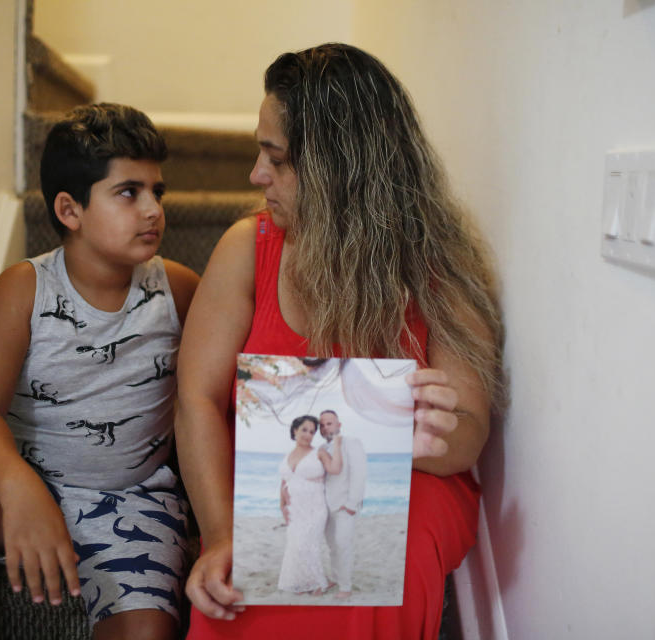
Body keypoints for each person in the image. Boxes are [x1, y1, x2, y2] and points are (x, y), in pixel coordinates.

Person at [175, 43, 503, 640]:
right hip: (274, 481)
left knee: (385, 553)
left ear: (337, 170)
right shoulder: (247, 250)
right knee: (243, 579)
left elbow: (468, 434)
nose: (255, 175)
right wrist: (220, 534)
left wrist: (424, 432)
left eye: (275, 158)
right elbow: (195, 399)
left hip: (410, 480)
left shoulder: (442, 269)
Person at [0, 103, 200, 640]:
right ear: (70, 209)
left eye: (159, 191)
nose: (153, 208)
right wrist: (19, 488)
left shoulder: (178, 291)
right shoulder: (24, 290)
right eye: (129, 192)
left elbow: (216, 393)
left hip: (135, 503)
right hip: (30, 490)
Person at [276, 415, 340, 594]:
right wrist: (282, 505)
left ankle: (320, 583)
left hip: (315, 508)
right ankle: (309, 581)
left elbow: (335, 469)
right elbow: (284, 482)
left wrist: (338, 446)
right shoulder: (287, 455)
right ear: (295, 430)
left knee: (308, 543)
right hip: (295, 509)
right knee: (295, 544)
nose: (308, 435)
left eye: (312, 432)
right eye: (304, 430)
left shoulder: (318, 452)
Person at [318, 410, 366, 599]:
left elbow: (359, 473)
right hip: (326, 505)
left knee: (342, 544)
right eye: (322, 425)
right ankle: (337, 579)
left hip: (345, 505)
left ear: (339, 425)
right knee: (332, 545)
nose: (325, 427)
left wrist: (352, 503)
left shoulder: (351, 443)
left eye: (329, 423)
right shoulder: (322, 447)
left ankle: (345, 587)